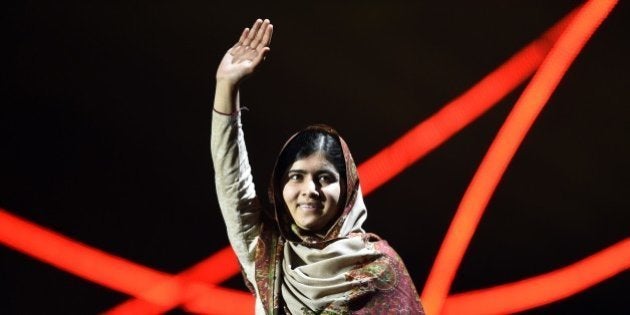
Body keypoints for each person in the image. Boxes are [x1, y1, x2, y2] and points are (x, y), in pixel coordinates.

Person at [211, 18, 425, 314]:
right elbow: (232, 182)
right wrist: (226, 86)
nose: (309, 190)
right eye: (296, 176)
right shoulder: (268, 255)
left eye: (324, 178)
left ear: (348, 191)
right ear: (279, 186)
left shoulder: (380, 270)